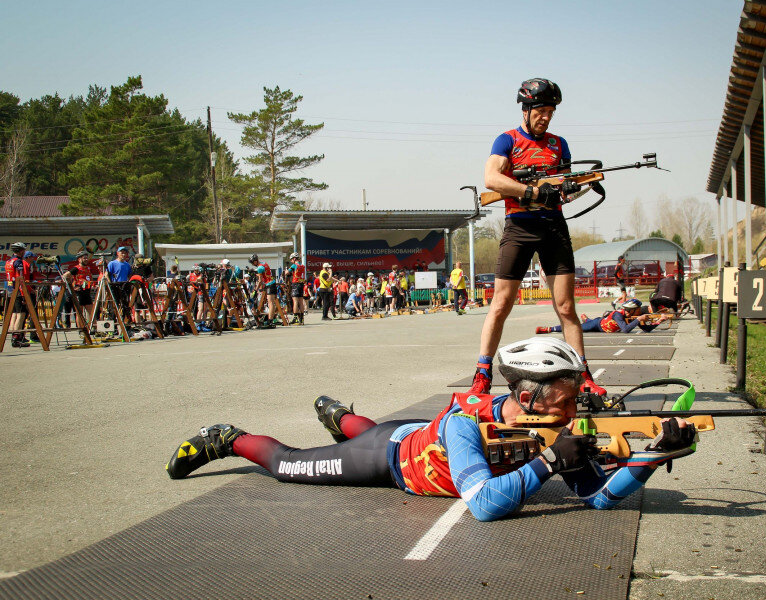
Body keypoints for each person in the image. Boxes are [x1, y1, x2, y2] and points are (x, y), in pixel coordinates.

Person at [165, 337, 698, 521]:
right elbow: (484, 506)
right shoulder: (468, 425)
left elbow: (600, 498)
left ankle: (339, 415)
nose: (575, 402)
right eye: (565, 392)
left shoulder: (553, 426)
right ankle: (227, 437)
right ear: (528, 395)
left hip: (415, 434)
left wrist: (655, 454)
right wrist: (550, 462)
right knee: (289, 466)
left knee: (365, 428)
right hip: (389, 458)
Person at [469, 78, 604, 398]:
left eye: (550, 112)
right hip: (519, 226)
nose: (546, 117)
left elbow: (563, 191)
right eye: (540, 111)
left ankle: (583, 375)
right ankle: (482, 373)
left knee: (566, 307)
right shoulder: (507, 140)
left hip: (553, 226)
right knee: (501, 303)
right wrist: (530, 191)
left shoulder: (559, 145)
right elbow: (491, 178)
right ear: (526, 110)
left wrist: (574, 188)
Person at [537, 299, 669, 334]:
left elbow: (647, 329)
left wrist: (659, 321)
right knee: (577, 328)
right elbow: (625, 330)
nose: (639, 313)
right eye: (638, 310)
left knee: (586, 323)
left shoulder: (633, 318)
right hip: (598, 324)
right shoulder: (618, 315)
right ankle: (550, 329)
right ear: (633, 310)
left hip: (602, 325)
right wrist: (639, 319)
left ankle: (587, 319)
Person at [4, 242, 36, 347]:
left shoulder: (9, 261)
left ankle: (13, 336)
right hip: (18, 290)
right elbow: (20, 278)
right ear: (21, 251)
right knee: (21, 314)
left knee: (14, 313)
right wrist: (24, 294)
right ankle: (16, 338)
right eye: (23, 250)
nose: (24, 252)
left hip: (10, 290)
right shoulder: (18, 262)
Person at [61, 249, 96, 329]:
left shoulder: (88, 268)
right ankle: (81, 329)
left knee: (91, 312)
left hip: (87, 293)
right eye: (84, 258)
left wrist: (92, 284)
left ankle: (93, 328)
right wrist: (72, 287)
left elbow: (89, 278)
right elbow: (65, 276)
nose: (86, 259)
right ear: (79, 259)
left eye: (87, 258)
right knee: (79, 313)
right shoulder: (76, 268)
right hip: (79, 293)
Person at [249, 254, 278, 325]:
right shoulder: (264, 263)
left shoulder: (259, 268)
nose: (252, 264)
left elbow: (260, 281)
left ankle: (270, 320)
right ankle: (271, 319)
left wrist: (255, 290)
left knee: (270, 303)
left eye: (252, 263)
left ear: (255, 261)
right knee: (272, 303)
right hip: (272, 283)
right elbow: (265, 273)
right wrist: (256, 273)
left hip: (269, 284)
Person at [285, 253, 306, 325]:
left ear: (294, 259)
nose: (291, 261)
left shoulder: (294, 265)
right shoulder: (302, 266)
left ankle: (295, 318)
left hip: (295, 283)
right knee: (301, 301)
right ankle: (302, 319)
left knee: (295, 301)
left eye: (291, 259)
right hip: (301, 283)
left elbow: (287, 273)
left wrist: (287, 270)